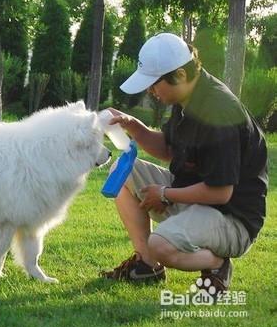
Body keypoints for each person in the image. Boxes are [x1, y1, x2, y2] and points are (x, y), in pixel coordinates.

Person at [100, 33, 268, 294]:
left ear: (179, 75)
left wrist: (165, 194)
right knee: (121, 173)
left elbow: (221, 191)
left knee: (161, 244)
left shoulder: (219, 112)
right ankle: (147, 265)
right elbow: (169, 150)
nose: (150, 91)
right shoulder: (187, 98)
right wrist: (133, 126)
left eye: (154, 84)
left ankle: (217, 263)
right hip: (194, 200)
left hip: (232, 218)